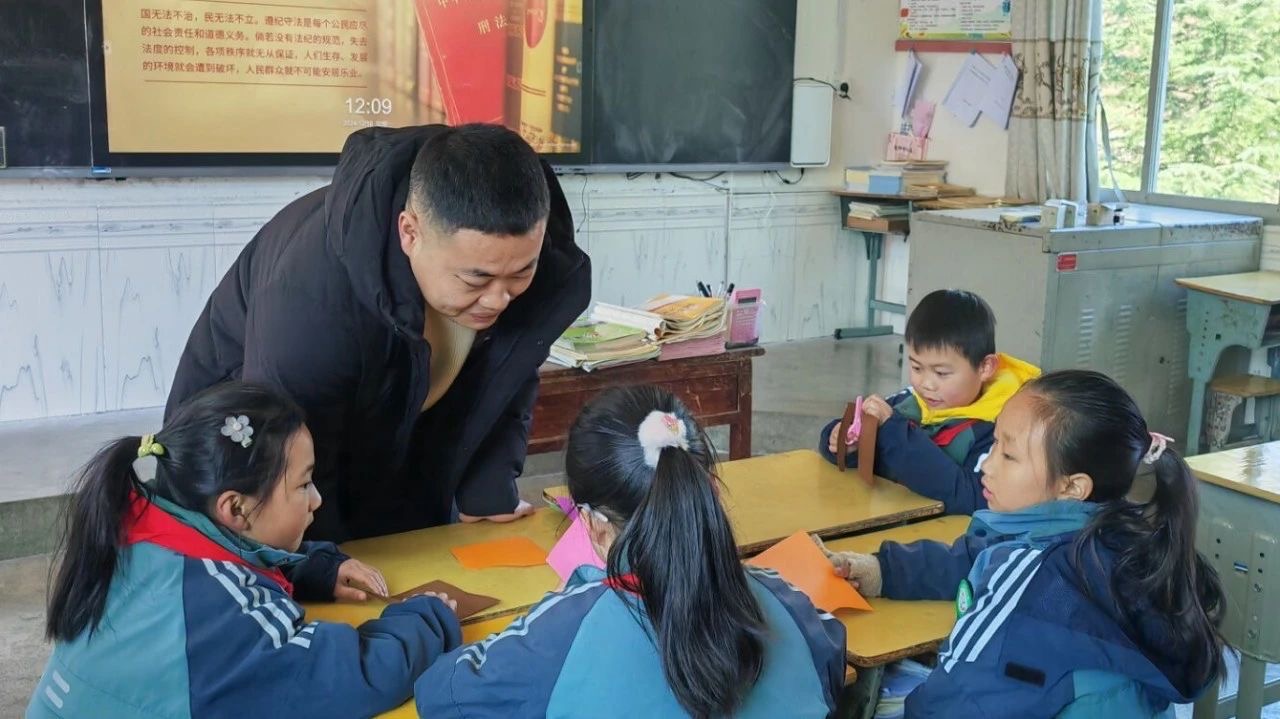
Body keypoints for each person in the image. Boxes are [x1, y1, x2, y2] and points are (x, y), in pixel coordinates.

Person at [166, 123, 591, 541]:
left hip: (388, 433)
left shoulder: (532, 257)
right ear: (410, 232)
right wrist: (325, 563)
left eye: (521, 272)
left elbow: (509, 373)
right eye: (475, 279)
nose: (499, 299)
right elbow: (285, 471)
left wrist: (487, 487)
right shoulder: (314, 299)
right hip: (255, 466)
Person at [27, 382, 462, 719]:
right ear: (235, 507)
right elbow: (350, 678)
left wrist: (315, 568)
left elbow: (225, 565)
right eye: (303, 485)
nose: (316, 500)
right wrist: (426, 617)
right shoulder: (224, 613)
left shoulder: (133, 534)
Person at [415, 386, 847, 718]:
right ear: (711, 494)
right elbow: (831, 658)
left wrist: (427, 619)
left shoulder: (564, 630)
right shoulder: (787, 602)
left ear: (593, 526)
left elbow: (443, 696)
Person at [819, 370, 1227, 717]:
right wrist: (883, 570)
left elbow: (957, 698)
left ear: (1072, 486)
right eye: (994, 443)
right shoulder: (1118, 535)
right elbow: (978, 556)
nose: (987, 465)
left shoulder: (1035, 582)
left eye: (1009, 455)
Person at [819, 289, 1039, 514]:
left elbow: (969, 496)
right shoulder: (909, 401)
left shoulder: (999, 429)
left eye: (941, 373)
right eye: (916, 368)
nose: (926, 384)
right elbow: (853, 449)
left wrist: (895, 431)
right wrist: (845, 443)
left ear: (984, 367)